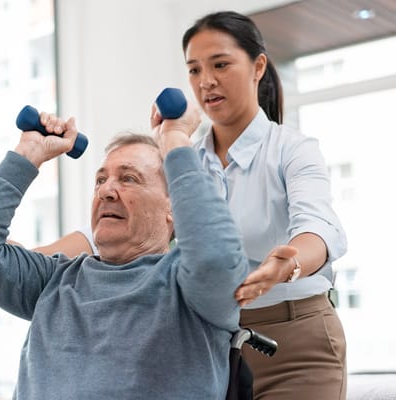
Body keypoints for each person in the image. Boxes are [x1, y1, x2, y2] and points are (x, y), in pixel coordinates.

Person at [32, 10, 348, 400]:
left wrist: (288, 264)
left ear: (258, 67)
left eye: (220, 65)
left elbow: (321, 228)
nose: (206, 82)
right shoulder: (181, 157)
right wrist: (34, 261)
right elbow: (129, 226)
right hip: (209, 339)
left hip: (294, 342)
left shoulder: (291, 150)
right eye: (194, 70)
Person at [0, 102, 270, 399]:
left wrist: (174, 141)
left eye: (128, 178)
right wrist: (28, 154)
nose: (107, 190)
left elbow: (215, 257)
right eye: (101, 180)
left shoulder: (190, 288)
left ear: (173, 206)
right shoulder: (54, 279)